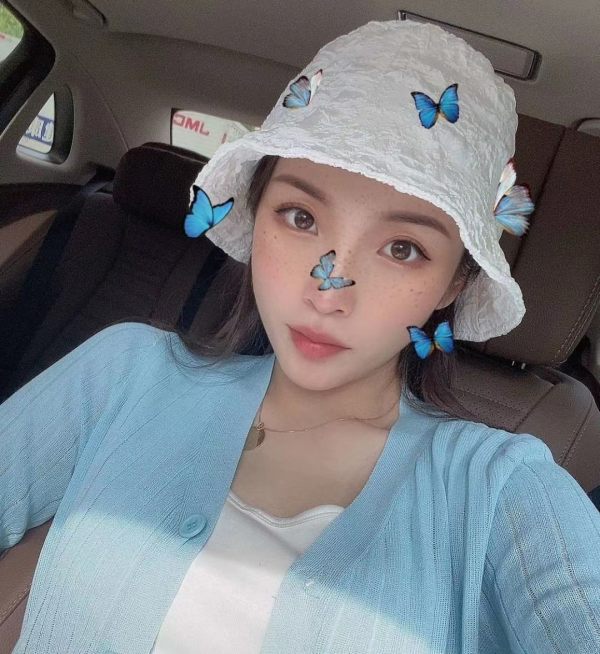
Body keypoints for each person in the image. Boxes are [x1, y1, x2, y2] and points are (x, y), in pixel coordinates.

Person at [2, 17, 600, 654]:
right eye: (300, 216)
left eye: (402, 248)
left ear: (453, 284)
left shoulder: (501, 489)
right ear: (256, 214)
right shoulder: (123, 370)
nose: (328, 291)